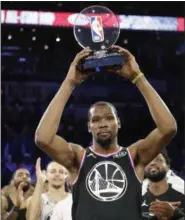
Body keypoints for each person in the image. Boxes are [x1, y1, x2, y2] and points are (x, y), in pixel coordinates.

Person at [35, 46, 177, 220]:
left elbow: (168, 128)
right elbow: (43, 138)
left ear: (118, 123)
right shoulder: (78, 158)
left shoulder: (134, 155)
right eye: (96, 120)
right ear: (89, 126)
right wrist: (69, 83)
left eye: (109, 118)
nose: (102, 124)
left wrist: (137, 77)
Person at [142, 150, 185, 219]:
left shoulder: (182, 195)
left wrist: (175, 214)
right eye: (148, 161)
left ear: (168, 167)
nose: (152, 163)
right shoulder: (136, 199)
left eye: (158, 160)